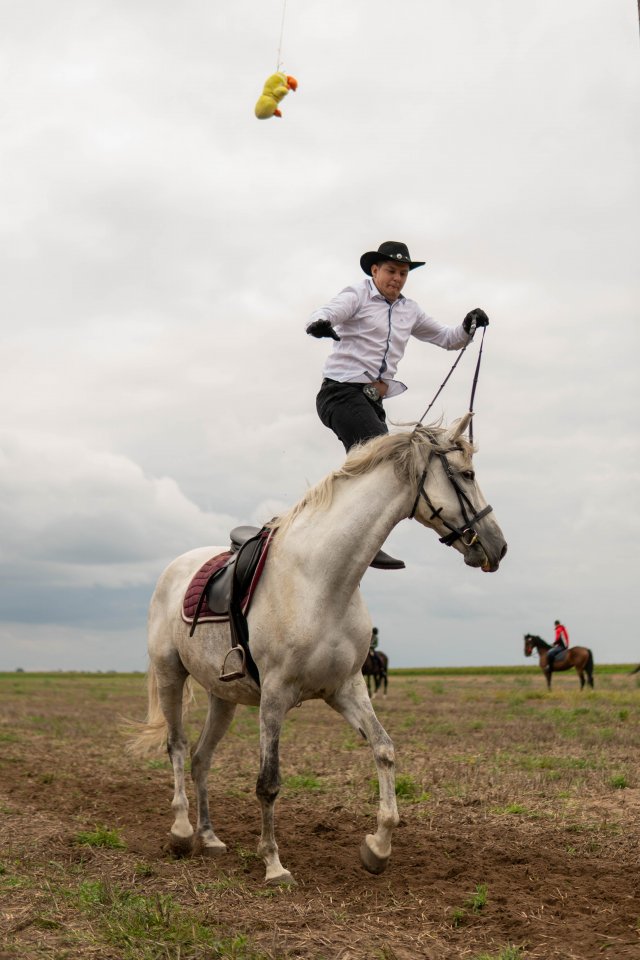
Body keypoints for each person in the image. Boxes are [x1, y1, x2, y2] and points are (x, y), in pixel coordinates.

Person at [306, 240, 489, 569]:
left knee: (379, 469)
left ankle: (349, 534)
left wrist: (468, 325)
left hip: (372, 402)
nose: (397, 278)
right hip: (341, 393)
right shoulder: (358, 294)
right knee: (386, 464)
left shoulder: (410, 310)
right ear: (375, 270)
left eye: (403, 273)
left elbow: (448, 338)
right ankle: (358, 540)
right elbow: (330, 311)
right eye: (391, 271)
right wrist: (320, 323)